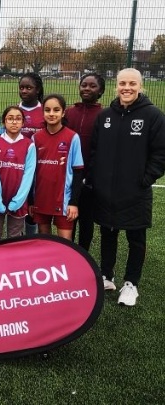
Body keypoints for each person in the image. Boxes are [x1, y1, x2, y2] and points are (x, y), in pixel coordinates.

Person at [88, 68, 165, 306]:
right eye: (123, 83)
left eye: (132, 83)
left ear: (140, 86)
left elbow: (161, 154)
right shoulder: (105, 116)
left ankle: (131, 284)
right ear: (116, 86)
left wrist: (144, 179)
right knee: (108, 233)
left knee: (136, 238)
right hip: (106, 191)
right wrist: (97, 179)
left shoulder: (153, 116)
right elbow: (94, 151)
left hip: (136, 192)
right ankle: (107, 276)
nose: (127, 88)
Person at [29, 94, 84, 241]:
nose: (51, 114)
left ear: (63, 112)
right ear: (43, 112)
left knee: (65, 245)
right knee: (44, 243)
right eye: (47, 110)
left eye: (56, 110)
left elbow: (78, 172)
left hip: (64, 200)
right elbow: (30, 173)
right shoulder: (36, 138)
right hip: (41, 198)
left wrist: (74, 203)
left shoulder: (72, 137)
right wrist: (31, 201)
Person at [66, 73, 105, 251]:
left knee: (86, 220)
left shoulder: (105, 115)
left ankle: (84, 253)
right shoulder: (69, 113)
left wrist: (92, 175)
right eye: (84, 85)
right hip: (70, 176)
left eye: (92, 86)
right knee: (69, 216)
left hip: (91, 178)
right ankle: (69, 252)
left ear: (101, 91)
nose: (87, 88)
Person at [0, 106, 36, 240]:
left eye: (18, 119)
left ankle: (13, 261)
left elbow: (29, 174)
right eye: (10, 118)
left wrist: (19, 200)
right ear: (4, 121)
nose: (14, 122)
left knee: (14, 238)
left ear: (23, 122)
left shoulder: (29, 145)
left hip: (18, 200)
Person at [17, 72, 45, 237]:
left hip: (38, 168)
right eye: (22, 87)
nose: (24, 91)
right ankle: (18, 239)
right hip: (17, 166)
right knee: (19, 204)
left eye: (29, 87)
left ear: (38, 89)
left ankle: (31, 239)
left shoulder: (44, 111)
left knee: (34, 206)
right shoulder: (15, 111)